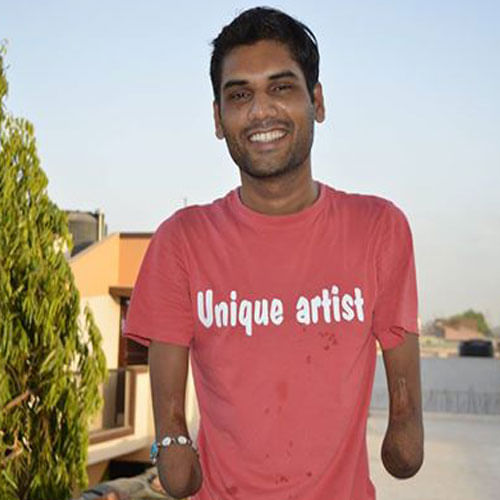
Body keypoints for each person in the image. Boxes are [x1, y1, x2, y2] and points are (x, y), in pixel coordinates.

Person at [124, 7, 424, 500]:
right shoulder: (181, 241)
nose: (261, 111)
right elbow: (170, 407)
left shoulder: (378, 229)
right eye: (239, 95)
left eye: (281, 87)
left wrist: (406, 422)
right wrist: (172, 440)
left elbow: (402, 368)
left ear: (317, 101)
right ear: (218, 118)